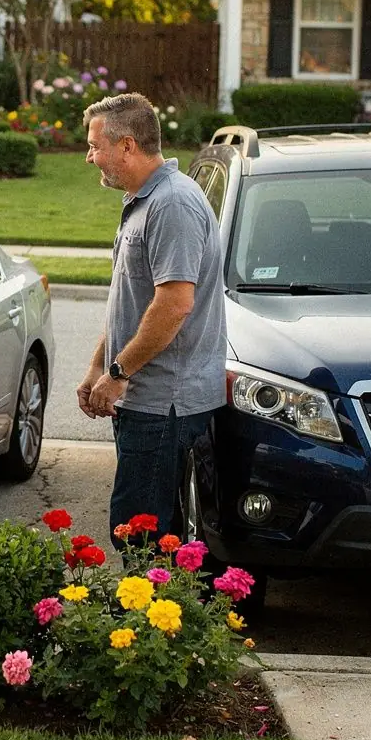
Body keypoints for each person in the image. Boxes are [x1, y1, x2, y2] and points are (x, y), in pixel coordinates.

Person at [76, 93, 226, 544]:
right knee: (149, 534)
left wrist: (120, 372)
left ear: (126, 146)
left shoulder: (172, 204)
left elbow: (174, 304)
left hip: (165, 403)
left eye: (95, 146)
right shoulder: (145, 200)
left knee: (139, 535)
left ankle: (146, 616)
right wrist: (98, 366)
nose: (89, 158)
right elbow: (133, 298)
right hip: (146, 397)